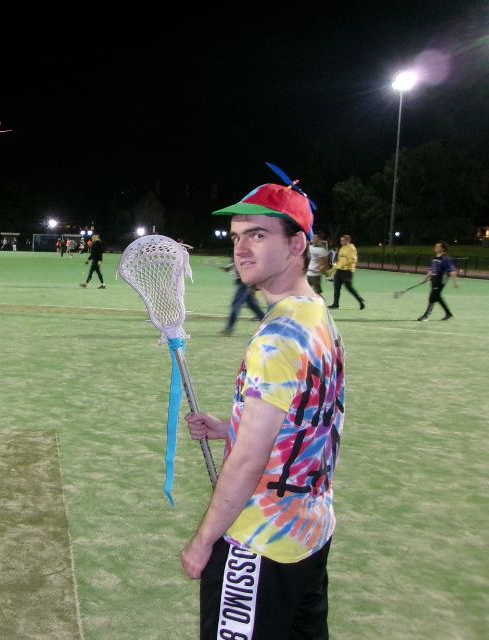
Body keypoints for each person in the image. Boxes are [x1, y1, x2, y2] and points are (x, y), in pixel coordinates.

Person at [182, 183, 345, 640]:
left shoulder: (276, 337)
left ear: (297, 245)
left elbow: (249, 460)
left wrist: (203, 541)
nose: (241, 249)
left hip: (259, 543)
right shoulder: (315, 314)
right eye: (236, 237)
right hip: (309, 533)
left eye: (257, 234)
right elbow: (309, 416)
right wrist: (226, 427)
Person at [417, 241, 460, 321]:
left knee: (432, 297)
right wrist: (425, 279)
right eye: (435, 246)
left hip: (440, 281)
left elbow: (452, 271)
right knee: (437, 297)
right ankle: (448, 313)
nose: (435, 248)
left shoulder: (445, 258)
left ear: (443, 248)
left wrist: (455, 282)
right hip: (433, 280)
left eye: (438, 247)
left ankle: (426, 316)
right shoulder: (434, 258)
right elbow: (431, 270)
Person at [220, 261, 265, 336]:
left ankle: (229, 329)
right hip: (245, 281)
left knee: (236, 304)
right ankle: (271, 323)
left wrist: (228, 268)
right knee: (253, 305)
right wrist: (228, 268)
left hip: (245, 282)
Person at [327, 234, 364, 309]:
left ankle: (359, 300)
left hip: (347, 271)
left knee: (349, 287)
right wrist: (335, 267)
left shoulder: (352, 248)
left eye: (343, 240)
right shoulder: (342, 248)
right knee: (336, 287)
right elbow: (340, 259)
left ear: (348, 240)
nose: (341, 241)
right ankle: (335, 304)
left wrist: (342, 265)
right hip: (339, 270)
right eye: (341, 240)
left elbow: (352, 260)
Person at [306, 232, 330, 296]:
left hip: (315, 274)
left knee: (317, 292)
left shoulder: (322, 250)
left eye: (315, 238)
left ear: (319, 239)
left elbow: (325, 263)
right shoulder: (309, 247)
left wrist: (326, 272)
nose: (313, 239)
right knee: (305, 290)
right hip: (308, 273)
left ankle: (324, 304)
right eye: (313, 237)